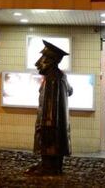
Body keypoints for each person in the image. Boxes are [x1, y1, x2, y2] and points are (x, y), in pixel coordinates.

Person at [26, 40, 73, 176]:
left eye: (43, 58)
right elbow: (70, 91)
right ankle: (51, 166)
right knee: (57, 142)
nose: (38, 63)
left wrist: (47, 124)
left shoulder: (53, 78)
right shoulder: (60, 75)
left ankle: (49, 167)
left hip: (51, 121)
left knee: (50, 141)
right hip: (57, 122)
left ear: (51, 61)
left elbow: (51, 106)